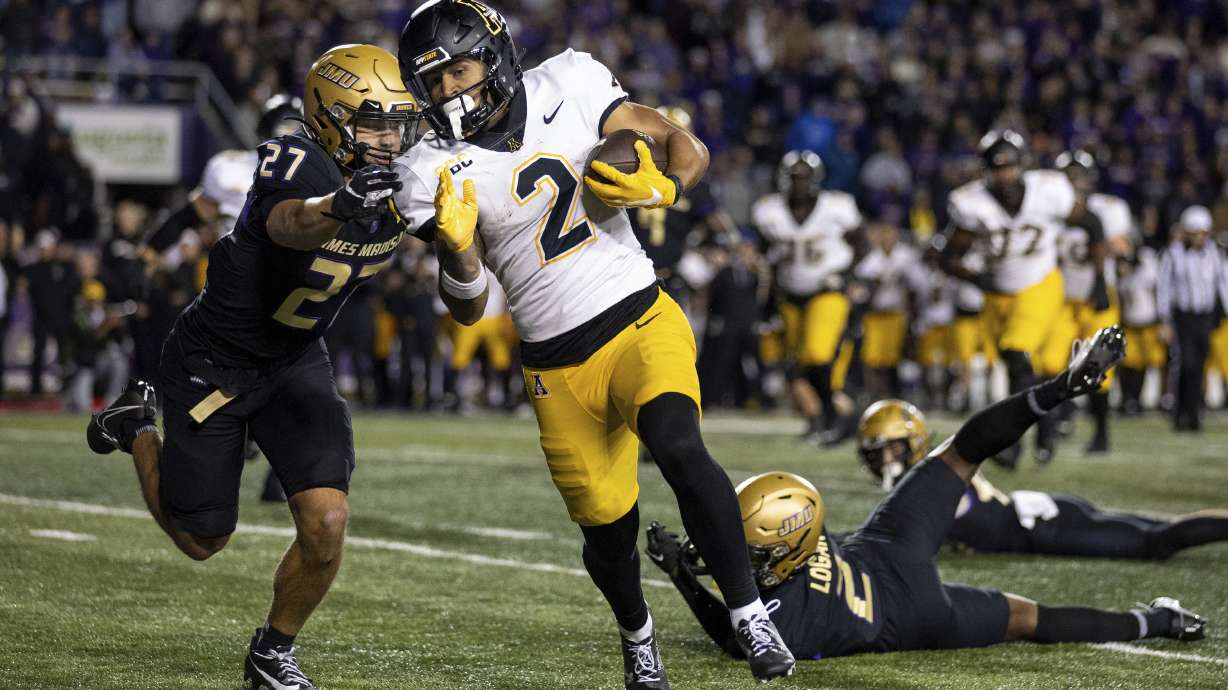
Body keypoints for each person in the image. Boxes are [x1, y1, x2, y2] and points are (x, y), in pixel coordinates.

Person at [393, 2, 794, 686]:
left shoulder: (570, 83)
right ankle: (638, 633)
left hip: (639, 315)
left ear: (492, 57)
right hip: (556, 366)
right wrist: (459, 254)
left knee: (678, 442)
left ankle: (751, 615)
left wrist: (663, 186)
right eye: (431, 83)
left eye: (456, 71)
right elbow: (466, 310)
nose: (447, 93)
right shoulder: (426, 167)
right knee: (609, 534)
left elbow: (680, 142)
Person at [84, 44, 424, 690]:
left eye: (396, 123)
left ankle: (271, 652)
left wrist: (467, 249)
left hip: (294, 359)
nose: (389, 138)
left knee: (326, 521)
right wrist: (338, 207)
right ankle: (136, 425)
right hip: (216, 360)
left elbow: (467, 251)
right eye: (375, 121)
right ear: (332, 116)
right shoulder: (294, 159)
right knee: (201, 539)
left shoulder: (403, 178)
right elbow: (289, 223)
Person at [649, 326, 1209, 663]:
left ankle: (1158, 621)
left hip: (907, 612)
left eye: (751, 551)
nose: (734, 559)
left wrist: (682, 580)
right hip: (886, 547)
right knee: (963, 451)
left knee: (1026, 619)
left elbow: (731, 637)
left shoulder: (784, 617)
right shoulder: (795, 553)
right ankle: (1060, 388)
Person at [856, 397, 1228, 558]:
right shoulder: (930, 478)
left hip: (1045, 527)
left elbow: (923, 534)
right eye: (877, 454)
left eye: (892, 449)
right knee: (1159, 530)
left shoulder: (936, 480)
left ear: (914, 444)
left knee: (1155, 542)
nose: (885, 461)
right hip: (1043, 513)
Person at [940, 130, 1106, 467]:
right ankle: (1045, 428)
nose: (1005, 175)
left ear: (1022, 165)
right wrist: (975, 277)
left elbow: (1092, 223)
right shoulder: (972, 204)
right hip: (998, 297)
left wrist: (1099, 279)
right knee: (1021, 368)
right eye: (997, 168)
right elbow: (949, 256)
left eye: (1010, 167)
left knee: (1018, 356)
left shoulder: (1048, 191)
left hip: (1040, 286)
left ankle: (1012, 444)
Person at [753, 150, 862, 444]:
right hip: (789, 297)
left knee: (818, 354)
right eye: (794, 177)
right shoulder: (770, 211)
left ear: (815, 180)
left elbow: (861, 243)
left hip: (828, 292)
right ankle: (822, 420)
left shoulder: (836, 207)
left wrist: (849, 276)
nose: (799, 183)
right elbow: (764, 254)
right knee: (796, 363)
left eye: (804, 177)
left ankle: (835, 416)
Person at [1036, 150, 1131, 454]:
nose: (1075, 182)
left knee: (1099, 366)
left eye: (1080, 176)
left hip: (1098, 298)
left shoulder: (1110, 208)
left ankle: (1102, 433)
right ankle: (1049, 429)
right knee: (1048, 363)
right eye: (1070, 176)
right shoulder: (1047, 212)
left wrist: (1108, 272)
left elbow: (1122, 247)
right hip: (1061, 299)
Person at [1157, 205, 1228, 431]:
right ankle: (1180, 414)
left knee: (1199, 365)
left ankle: (1195, 415)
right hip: (1183, 317)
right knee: (1185, 364)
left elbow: (1223, 283)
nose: (1199, 237)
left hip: (1205, 316)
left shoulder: (1214, 254)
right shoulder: (1174, 253)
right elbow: (1164, 288)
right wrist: (1164, 319)